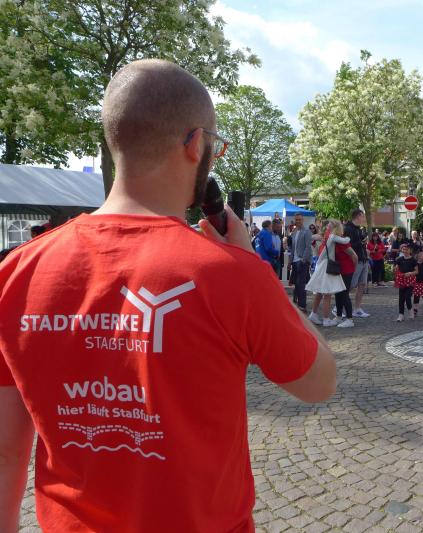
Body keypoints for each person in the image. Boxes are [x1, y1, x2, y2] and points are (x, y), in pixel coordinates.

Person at [0, 59, 336, 532]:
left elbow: (6, 451)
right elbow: (319, 384)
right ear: (196, 144)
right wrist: (256, 270)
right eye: (215, 146)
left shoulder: (17, 271)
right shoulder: (232, 274)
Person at [307, 222, 350, 327]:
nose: (327, 226)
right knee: (327, 293)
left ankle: (313, 314)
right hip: (327, 265)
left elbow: (311, 237)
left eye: (329, 225)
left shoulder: (325, 235)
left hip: (322, 264)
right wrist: (348, 236)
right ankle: (326, 319)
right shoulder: (332, 236)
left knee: (319, 292)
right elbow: (346, 240)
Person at [344, 209, 370, 318]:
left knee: (362, 284)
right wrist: (361, 243)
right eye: (363, 216)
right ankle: (339, 306)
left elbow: (359, 244)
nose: (364, 219)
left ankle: (357, 308)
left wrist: (363, 243)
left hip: (363, 259)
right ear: (358, 216)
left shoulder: (359, 229)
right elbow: (347, 246)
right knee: (351, 285)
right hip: (355, 260)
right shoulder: (348, 229)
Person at [334, 225, 359, 327]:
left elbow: (354, 256)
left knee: (344, 294)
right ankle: (339, 316)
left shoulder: (342, 242)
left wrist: (353, 269)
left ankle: (350, 319)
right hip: (339, 270)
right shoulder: (335, 241)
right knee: (338, 293)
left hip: (346, 270)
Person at [290, 213, 313, 312]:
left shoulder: (307, 231)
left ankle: (302, 306)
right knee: (296, 283)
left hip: (302, 261)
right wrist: (290, 261)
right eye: (296, 220)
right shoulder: (294, 232)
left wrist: (303, 260)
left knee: (301, 284)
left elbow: (308, 247)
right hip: (295, 261)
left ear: (303, 220)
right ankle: (296, 303)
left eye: (299, 219)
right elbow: (293, 248)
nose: (298, 221)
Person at [394, 243, 417, 322]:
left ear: (410, 250)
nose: (405, 251)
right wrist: (395, 269)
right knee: (401, 298)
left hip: (410, 280)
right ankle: (401, 315)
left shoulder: (413, 260)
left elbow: (417, 271)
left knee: (407, 297)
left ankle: (410, 311)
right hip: (402, 280)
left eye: (407, 249)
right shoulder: (399, 259)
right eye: (403, 249)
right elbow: (396, 268)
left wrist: (410, 273)